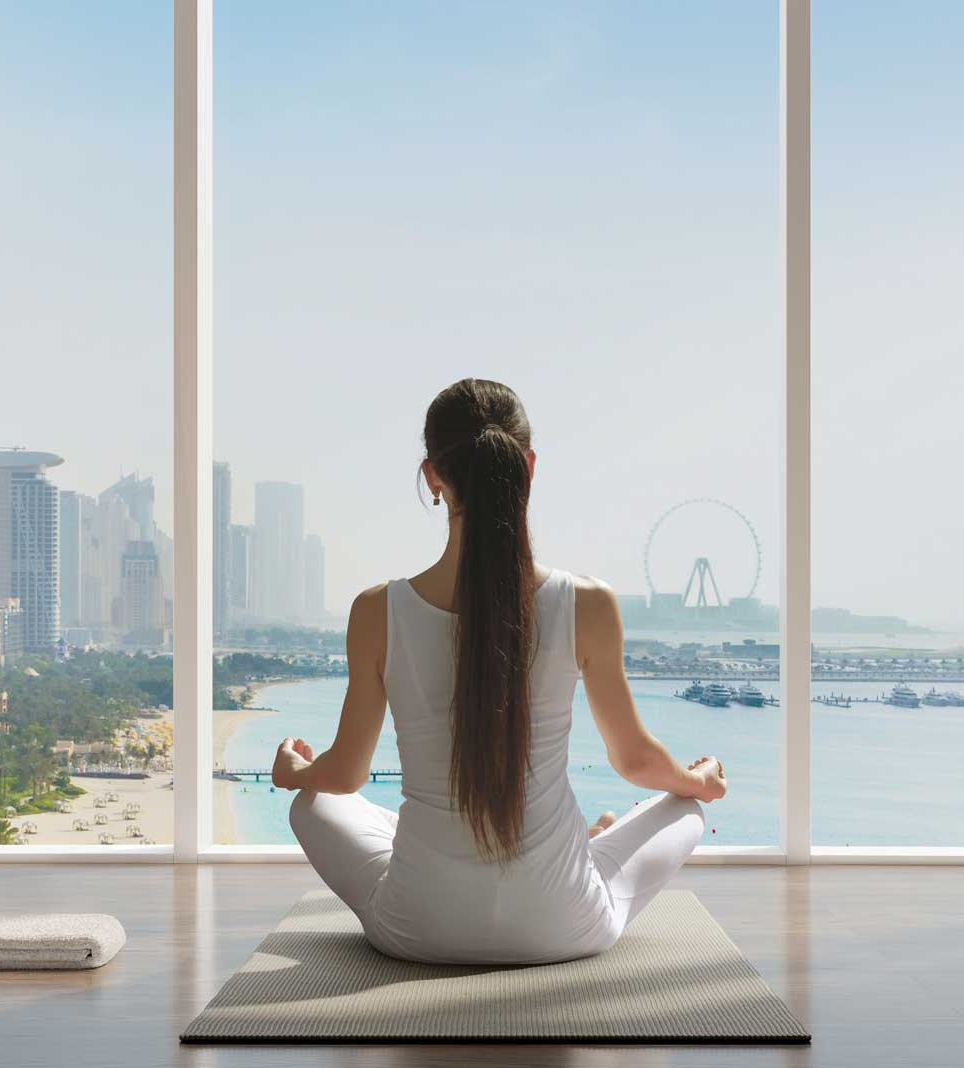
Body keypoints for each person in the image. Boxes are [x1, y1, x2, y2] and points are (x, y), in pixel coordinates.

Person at [272, 378, 727, 965]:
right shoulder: (587, 603)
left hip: (416, 930)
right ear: (528, 467)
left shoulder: (375, 611)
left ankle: (566, 848)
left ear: (433, 475)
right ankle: (589, 847)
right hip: (565, 927)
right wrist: (702, 780)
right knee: (683, 809)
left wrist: (292, 771)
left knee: (311, 803)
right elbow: (637, 762)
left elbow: (345, 774)